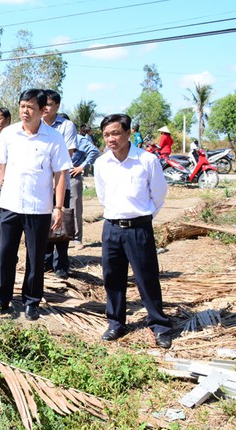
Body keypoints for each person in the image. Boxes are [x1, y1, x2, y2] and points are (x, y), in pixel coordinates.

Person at [0, 89, 71, 320]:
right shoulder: (9, 134)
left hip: (38, 208)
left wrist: (58, 207)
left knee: (35, 257)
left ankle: (31, 301)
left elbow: (60, 174)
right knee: (5, 254)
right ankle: (0, 299)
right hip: (11, 205)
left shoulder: (53, 138)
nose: (25, 111)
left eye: (30, 107)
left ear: (42, 110)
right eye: (22, 106)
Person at [95, 114, 173, 349]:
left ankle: (159, 325)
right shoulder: (101, 163)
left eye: (116, 133)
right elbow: (102, 196)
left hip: (138, 228)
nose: (111, 139)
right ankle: (116, 323)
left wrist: (143, 217)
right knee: (112, 278)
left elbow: (158, 195)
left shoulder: (147, 161)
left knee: (147, 278)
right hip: (111, 228)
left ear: (128, 133)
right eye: (107, 134)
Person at [42, 90, 76, 279]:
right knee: (44, 223)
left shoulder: (66, 126)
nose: (45, 108)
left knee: (62, 223)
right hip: (41, 186)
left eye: (49, 104)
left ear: (57, 106)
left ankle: (61, 263)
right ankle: (46, 262)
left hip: (61, 182)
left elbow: (68, 154)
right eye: (43, 104)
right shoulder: (36, 125)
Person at [70, 125, 100, 250]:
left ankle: (77, 239)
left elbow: (94, 151)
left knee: (75, 208)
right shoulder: (52, 137)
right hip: (54, 177)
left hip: (72, 176)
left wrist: (82, 166)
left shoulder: (79, 139)